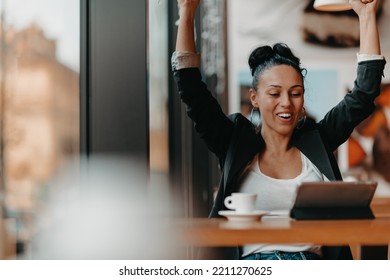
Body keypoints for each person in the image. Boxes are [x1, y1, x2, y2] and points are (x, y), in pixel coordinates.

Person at [172, 0, 386, 260]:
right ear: (254, 97)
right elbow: (191, 91)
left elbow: (364, 94)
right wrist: (186, 13)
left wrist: (366, 15)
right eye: (274, 93)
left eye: (295, 93)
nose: (286, 103)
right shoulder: (233, 140)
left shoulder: (318, 138)